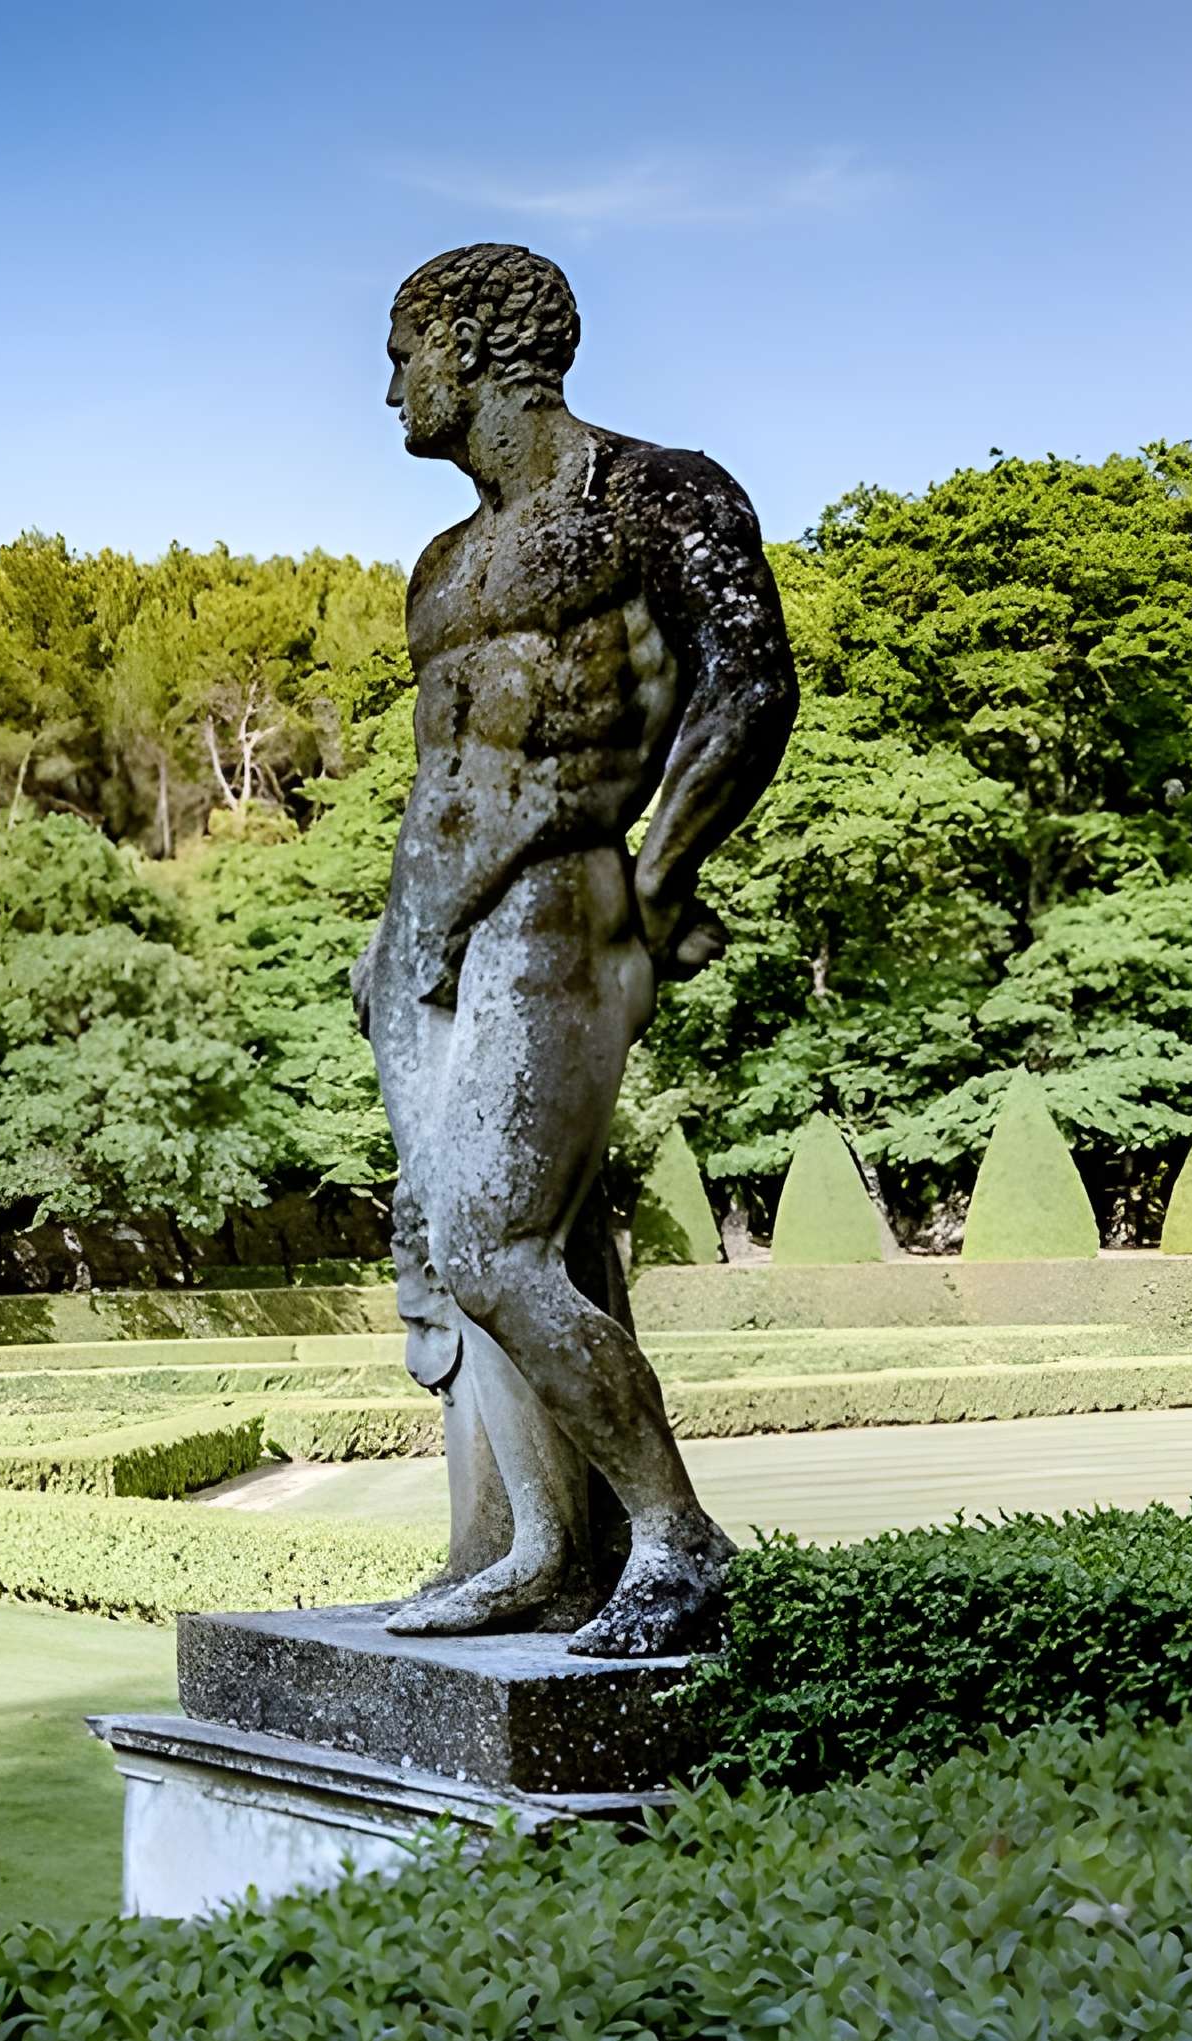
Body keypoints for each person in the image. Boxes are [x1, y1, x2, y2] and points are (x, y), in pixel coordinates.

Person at [359, 243, 795, 1657]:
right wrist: (389, 946)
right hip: (425, 934)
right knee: (456, 1257)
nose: (390, 393)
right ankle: (537, 1553)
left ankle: (678, 1541)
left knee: (495, 1242)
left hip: (562, 892)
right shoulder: (441, 565)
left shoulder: (651, 491)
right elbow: (441, 775)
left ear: (476, 345)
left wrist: (657, 879)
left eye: (400, 351)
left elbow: (750, 681)